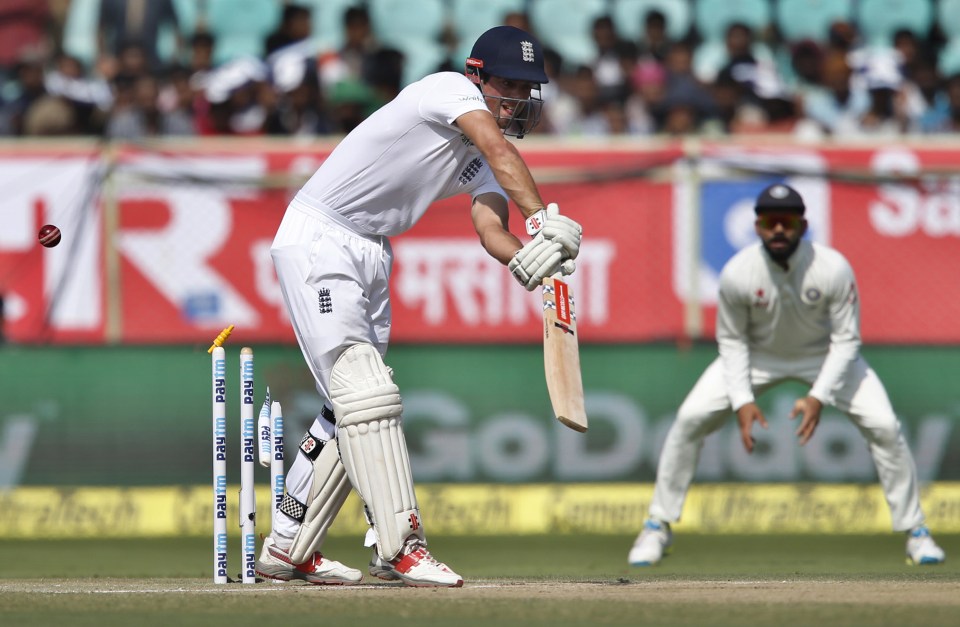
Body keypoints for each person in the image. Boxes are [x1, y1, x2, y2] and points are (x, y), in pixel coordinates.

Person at [255, 25, 582, 588]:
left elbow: (488, 227)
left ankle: (288, 548)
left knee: (351, 410)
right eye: (509, 84)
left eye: (528, 89)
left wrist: (529, 258)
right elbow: (499, 149)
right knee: (366, 392)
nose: (519, 99)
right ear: (478, 76)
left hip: (373, 249)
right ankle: (400, 546)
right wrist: (544, 220)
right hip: (322, 235)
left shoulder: (483, 155)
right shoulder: (447, 90)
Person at [628, 183, 946, 568]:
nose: (779, 229)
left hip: (823, 356)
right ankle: (657, 525)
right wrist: (743, 401)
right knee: (689, 420)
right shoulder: (738, 273)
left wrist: (818, 397)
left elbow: (847, 341)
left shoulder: (832, 268)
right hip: (757, 357)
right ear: (758, 226)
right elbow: (731, 342)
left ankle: (916, 532)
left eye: (788, 221)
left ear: (803, 225)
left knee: (883, 425)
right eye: (770, 221)